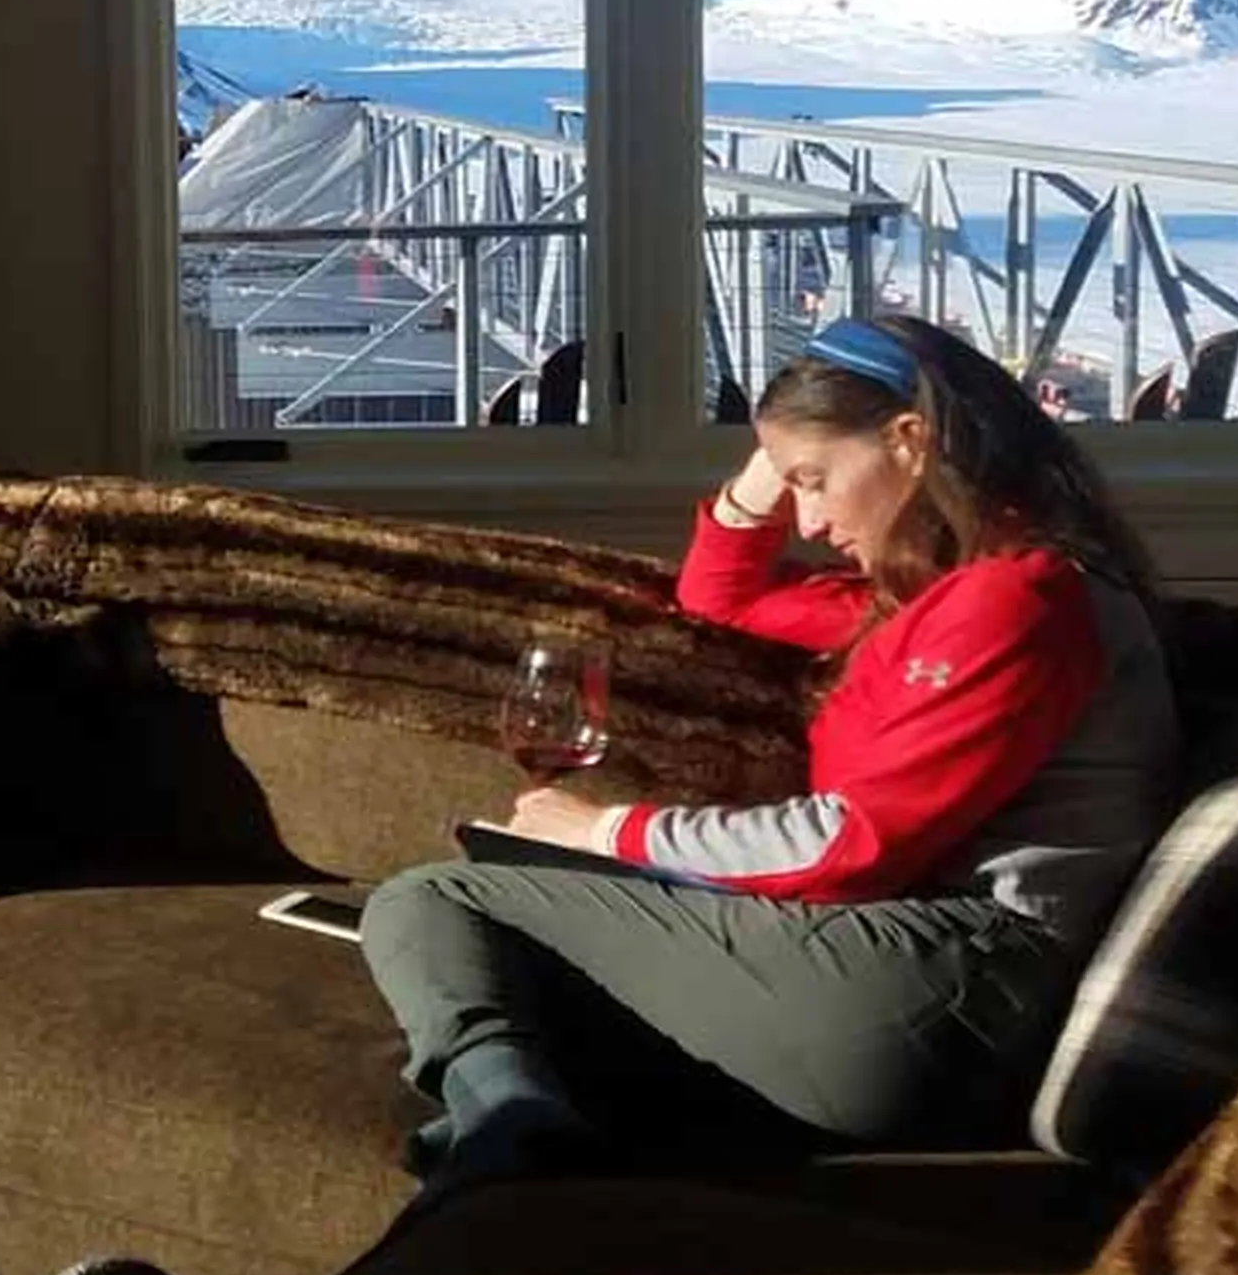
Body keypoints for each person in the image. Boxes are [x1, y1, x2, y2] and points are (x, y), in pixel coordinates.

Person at [358, 314, 1180, 1191]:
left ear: (911, 441)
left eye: (815, 483)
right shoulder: (930, 595)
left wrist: (606, 832)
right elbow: (721, 597)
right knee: (513, 968)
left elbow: (851, 844)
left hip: (944, 977)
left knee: (429, 900)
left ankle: (505, 1130)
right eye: (796, 490)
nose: (811, 521)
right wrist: (780, 448)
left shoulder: (1018, 600)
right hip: (912, 979)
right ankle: (519, 1117)